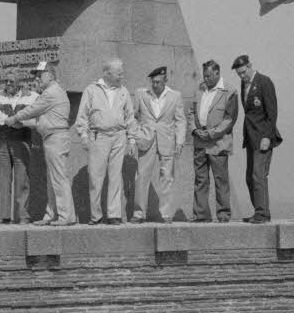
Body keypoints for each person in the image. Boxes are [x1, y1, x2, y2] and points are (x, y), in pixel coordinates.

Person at [7, 62, 75, 226]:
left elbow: (33, 109)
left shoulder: (51, 92)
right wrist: (22, 124)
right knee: (52, 179)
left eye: (40, 74)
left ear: (51, 75)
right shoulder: (52, 92)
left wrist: (15, 118)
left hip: (56, 137)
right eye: (36, 75)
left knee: (59, 178)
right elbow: (39, 120)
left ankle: (67, 217)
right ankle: (51, 215)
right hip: (52, 137)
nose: (37, 78)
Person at [74, 58, 139, 225]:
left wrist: (131, 139)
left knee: (116, 176)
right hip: (98, 136)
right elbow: (82, 115)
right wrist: (83, 135)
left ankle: (114, 214)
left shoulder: (123, 90)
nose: (121, 76)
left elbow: (130, 116)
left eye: (122, 73)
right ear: (107, 73)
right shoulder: (92, 90)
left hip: (119, 136)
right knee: (95, 177)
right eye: (119, 73)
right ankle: (96, 216)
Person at [131, 66, 187, 223]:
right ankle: (138, 213)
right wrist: (136, 134)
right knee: (141, 176)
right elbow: (133, 116)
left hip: (167, 141)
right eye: (153, 82)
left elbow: (180, 120)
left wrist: (180, 142)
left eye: (158, 82)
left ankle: (166, 214)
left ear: (165, 81)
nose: (155, 85)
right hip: (146, 140)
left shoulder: (175, 96)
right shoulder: (141, 94)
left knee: (167, 177)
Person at [232, 54, 282, 223]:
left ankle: (261, 213)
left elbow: (272, 112)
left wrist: (267, 136)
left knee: (258, 175)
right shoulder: (243, 84)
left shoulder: (264, 82)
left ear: (250, 66)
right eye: (239, 74)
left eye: (244, 72)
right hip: (250, 137)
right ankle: (260, 211)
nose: (242, 76)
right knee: (250, 177)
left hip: (263, 137)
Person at [190, 59, 239, 223]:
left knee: (221, 180)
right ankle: (201, 214)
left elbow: (230, 119)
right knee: (200, 179)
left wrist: (211, 134)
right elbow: (191, 113)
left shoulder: (230, 91)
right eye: (205, 76)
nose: (206, 79)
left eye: (209, 76)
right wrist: (194, 129)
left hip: (218, 143)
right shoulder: (200, 89)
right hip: (200, 141)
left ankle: (223, 214)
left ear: (218, 73)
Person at [0, 72, 38, 224]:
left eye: (11, 81)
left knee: (22, 179)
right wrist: (9, 121)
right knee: (4, 180)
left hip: (22, 141)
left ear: (19, 83)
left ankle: (23, 215)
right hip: (3, 142)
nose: (7, 84)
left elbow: (36, 117)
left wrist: (21, 123)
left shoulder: (32, 96)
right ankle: (4, 216)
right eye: (6, 81)